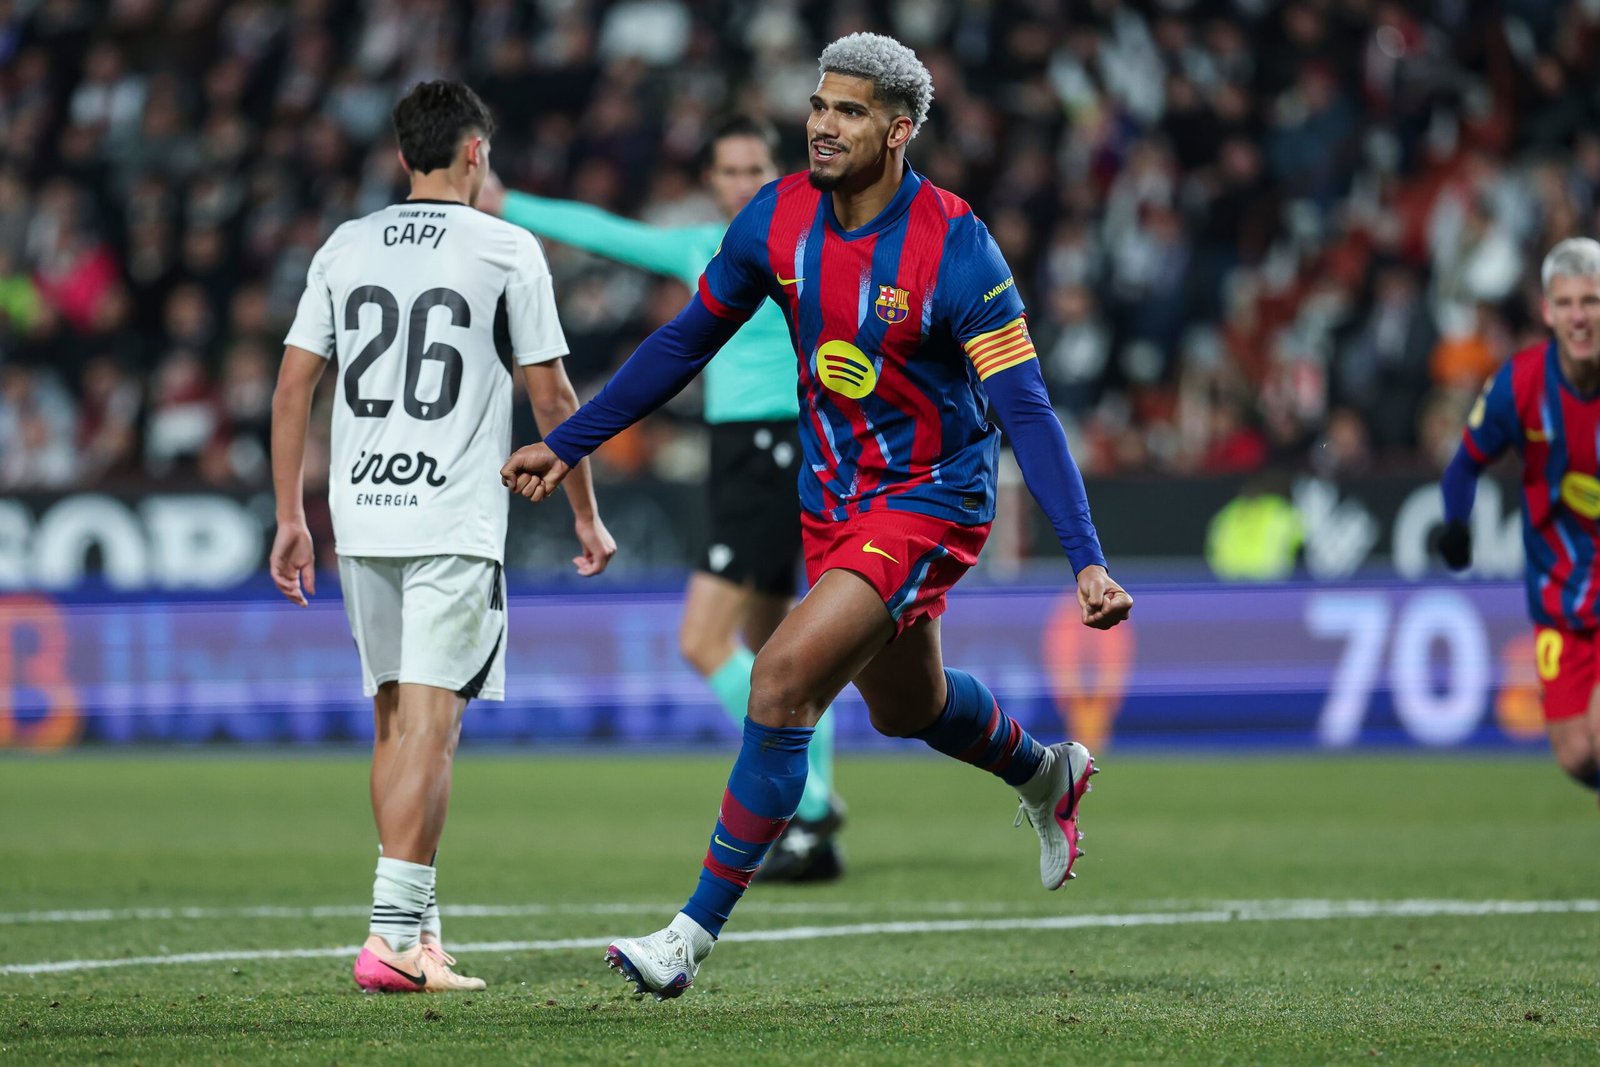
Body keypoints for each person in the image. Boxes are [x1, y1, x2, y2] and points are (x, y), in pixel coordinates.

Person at [502, 33, 1131, 999]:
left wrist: (1084, 556)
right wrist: (571, 439)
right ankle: (1047, 773)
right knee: (907, 706)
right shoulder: (778, 215)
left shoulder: (956, 245)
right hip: (831, 496)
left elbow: (1028, 409)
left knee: (781, 677)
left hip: (929, 497)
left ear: (900, 130)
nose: (823, 126)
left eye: (849, 112)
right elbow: (684, 341)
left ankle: (686, 938)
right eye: (819, 105)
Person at [270, 80, 614, 993]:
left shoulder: (346, 244)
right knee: (433, 728)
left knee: (394, 721)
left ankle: (417, 929)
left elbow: (294, 384)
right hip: (452, 517)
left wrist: (292, 515)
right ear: (474, 153)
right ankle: (389, 937)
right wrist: (585, 511)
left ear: (401, 156)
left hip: (362, 512)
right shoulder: (505, 247)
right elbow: (553, 397)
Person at [477, 116, 847, 882]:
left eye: (754, 170)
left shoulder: (804, 237)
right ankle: (814, 818)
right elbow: (608, 233)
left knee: (703, 640)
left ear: (778, 173)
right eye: (729, 171)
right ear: (710, 181)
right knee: (783, 650)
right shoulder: (710, 246)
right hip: (754, 453)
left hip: (773, 448)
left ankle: (810, 803)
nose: (742, 184)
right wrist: (510, 204)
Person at [1438, 236, 1600, 799]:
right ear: (1547, 311)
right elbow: (1464, 465)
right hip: (1560, 596)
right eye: (1567, 303)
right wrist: (1456, 527)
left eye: (1591, 302)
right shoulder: (1521, 383)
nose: (1579, 317)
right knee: (1577, 754)